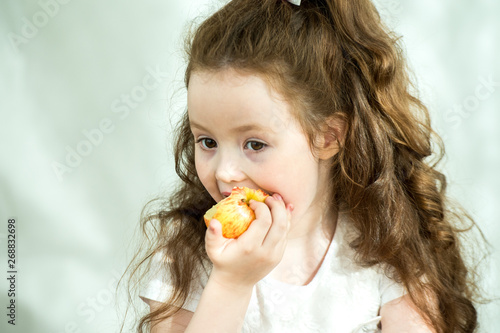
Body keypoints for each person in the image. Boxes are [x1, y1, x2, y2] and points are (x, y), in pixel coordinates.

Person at [122, 0, 482, 332]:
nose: (224, 172)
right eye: (208, 142)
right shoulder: (185, 252)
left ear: (327, 137)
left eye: (255, 144)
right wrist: (231, 283)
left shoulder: (383, 243)